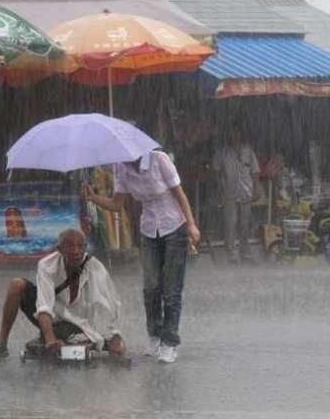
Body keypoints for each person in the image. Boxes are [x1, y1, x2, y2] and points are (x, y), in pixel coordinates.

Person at [83, 150, 201, 364]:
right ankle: (154, 336)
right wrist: (94, 198)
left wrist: (191, 225)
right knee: (151, 287)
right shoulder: (122, 168)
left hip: (174, 227)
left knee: (171, 289)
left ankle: (169, 342)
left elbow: (180, 195)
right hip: (148, 231)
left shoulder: (160, 160)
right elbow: (116, 204)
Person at [0, 228, 125, 362]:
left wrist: (116, 336)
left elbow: (113, 304)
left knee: (75, 338)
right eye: (70, 246)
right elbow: (44, 306)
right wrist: (50, 340)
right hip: (51, 317)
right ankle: (1, 345)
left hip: (78, 323)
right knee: (16, 285)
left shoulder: (95, 267)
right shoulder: (47, 265)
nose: (76, 251)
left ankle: (55, 337)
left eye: (80, 246)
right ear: (59, 250)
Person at [212, 121, 263, 263]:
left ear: (241, 134)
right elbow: (215, 171)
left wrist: (257, 187)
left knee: (245, 223)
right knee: (231, 223)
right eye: (232, 132)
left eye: (237, 132)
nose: (235, 135)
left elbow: (255, 171)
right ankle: (232, 254)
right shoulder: (223, 152)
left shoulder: (248, 151)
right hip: (229, 192)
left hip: (246, 191)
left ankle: (245, 252)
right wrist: (219, 186)